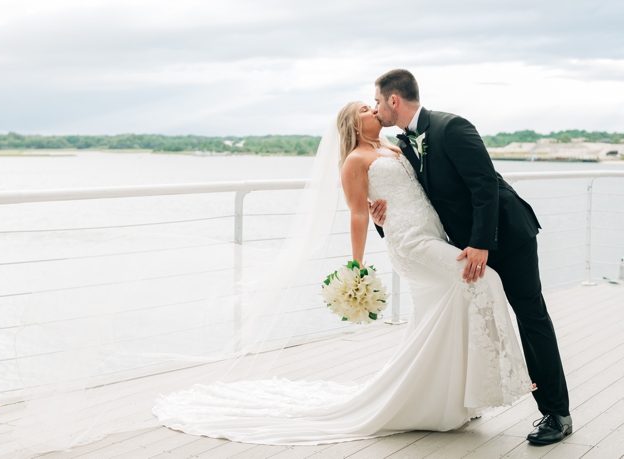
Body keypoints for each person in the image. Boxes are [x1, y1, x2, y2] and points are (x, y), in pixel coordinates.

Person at [152, 98, 533, 445]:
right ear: (353, 125)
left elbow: (419, 191)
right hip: (410, 243)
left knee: (443, 311)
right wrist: (358, 263)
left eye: (375, 105)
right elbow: (357, 212)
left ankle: (444, 399)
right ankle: (493, 381)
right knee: (484, 278)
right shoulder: (354, 161)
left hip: (432, 233)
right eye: (366, 111)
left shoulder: (395, 147)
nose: (375, 110)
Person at [370, 69, 571, 445]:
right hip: (465, 248)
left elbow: (484, 185)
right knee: (467, 313)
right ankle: (468, 400)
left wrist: (483, 242)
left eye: (378, 101)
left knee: (530, 316)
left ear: (394, 100)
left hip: (507, 237)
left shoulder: (452, 126)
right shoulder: (406, 144)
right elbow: (413, 200)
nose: (376, 108)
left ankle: (557, 413)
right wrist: (383, 221)